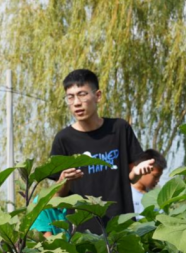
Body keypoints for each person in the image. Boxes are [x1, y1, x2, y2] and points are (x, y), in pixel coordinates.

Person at [51, 69, 155, 234]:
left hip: (121, 226)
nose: (76, 102)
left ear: (97, 96)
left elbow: (131, 177)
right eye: (70, 97)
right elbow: (58, 195)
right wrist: (64, 180)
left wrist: (137, 172)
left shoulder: (120, 129)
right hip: (84, 233)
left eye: (82, 94)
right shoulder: (63, 140)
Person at [130, 149, 167, 216]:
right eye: (155, 176)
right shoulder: (127, 193)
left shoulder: (156, 198)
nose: (158, 180)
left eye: (159, 177)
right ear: (144, 169)